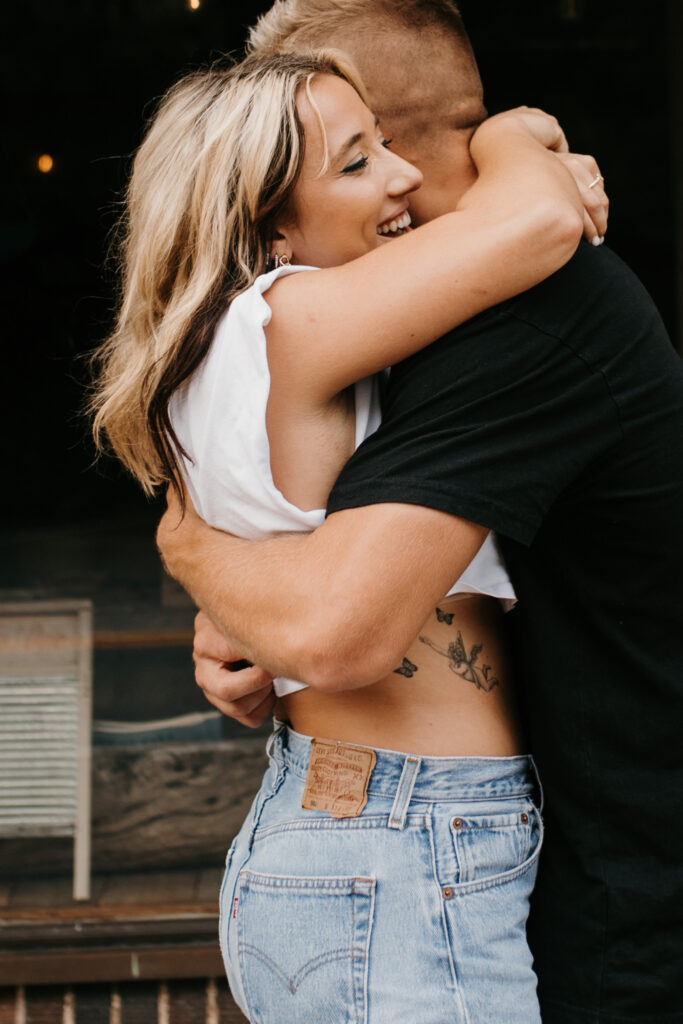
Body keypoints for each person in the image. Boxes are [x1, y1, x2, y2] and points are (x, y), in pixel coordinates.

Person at [156, 2, 683, 1023]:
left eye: (336, 146)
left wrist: (191, 548)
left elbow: (334, 626)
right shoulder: (386, 332)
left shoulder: (529, 319)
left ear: (384, 150)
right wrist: (239, 604)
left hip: (604, 906)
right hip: (463, 873)